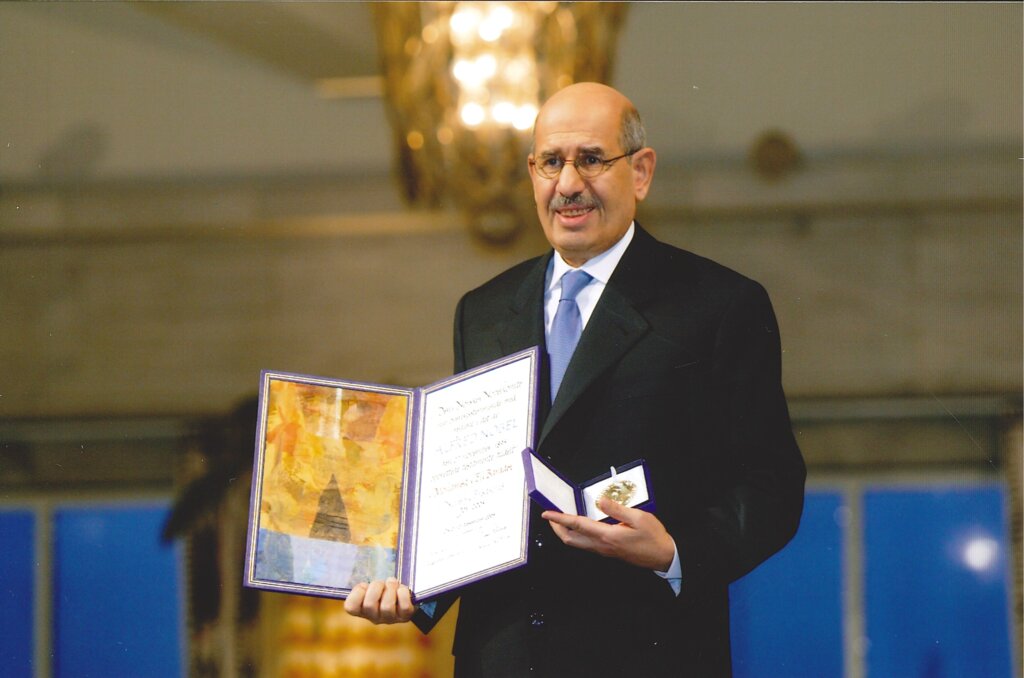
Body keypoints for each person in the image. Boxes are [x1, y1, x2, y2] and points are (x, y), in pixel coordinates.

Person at [345, 82, 806, 677]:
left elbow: (771, 485)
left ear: (640, 173)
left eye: (590, 159)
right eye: (549, 163)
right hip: (501, 656)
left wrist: (674, 552)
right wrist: (412, 583)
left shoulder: (718, 305)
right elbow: (473, 487)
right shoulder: (482, 311)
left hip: (647, 652)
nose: (567, 185)